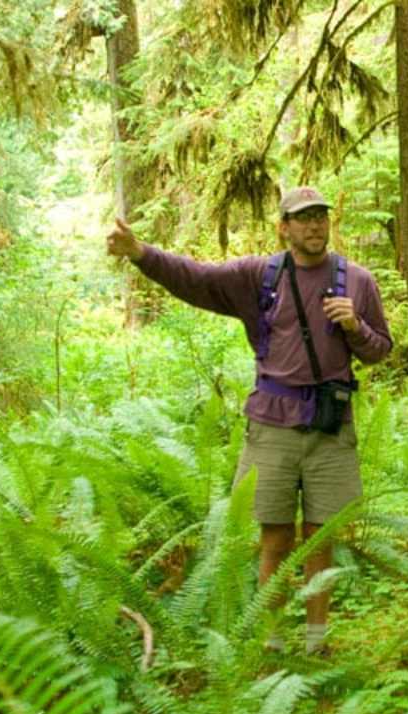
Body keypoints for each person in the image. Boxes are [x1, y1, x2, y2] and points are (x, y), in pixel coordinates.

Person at [106, 186, 393, 655]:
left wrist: (354, 327)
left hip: (330, 425)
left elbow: (380, 349)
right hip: (272, 424)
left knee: (321, 538)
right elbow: (195, 278)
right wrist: (141, 253)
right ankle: (273, 641)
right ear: (284, 228)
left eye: (321, 217)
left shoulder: (356, 280)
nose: (315, 226)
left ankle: (317, 643)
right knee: (275, 539)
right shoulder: (258, 276)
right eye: (303, 219)